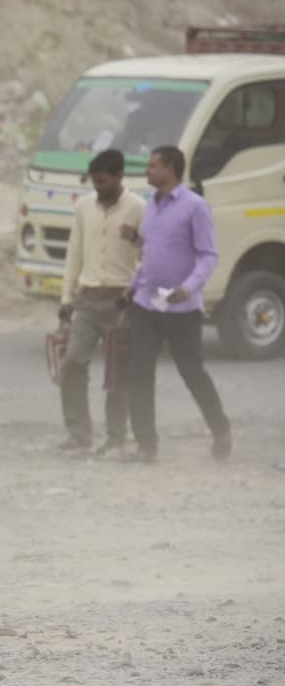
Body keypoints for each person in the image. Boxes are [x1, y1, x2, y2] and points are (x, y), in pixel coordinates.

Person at [125, 146, 232, 463]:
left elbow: (209, 254)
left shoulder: (194, 207)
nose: (148, 171)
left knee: (192, 372)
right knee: (139, 372)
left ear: (171, 169)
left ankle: (220, 428)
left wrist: (189, 287)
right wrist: (132, 288)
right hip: (146, 303)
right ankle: (146, 445)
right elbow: (149, 255)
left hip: (182, 309)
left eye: (154, 166)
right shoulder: (150, 206)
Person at [55, 149, 144, 452]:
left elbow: (147, 259)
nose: (99, 188)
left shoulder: (139, 209)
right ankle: (79, 434)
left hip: (123, 299)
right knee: (72, 362)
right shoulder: (83, 207)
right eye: (95, 183)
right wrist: (66, 297)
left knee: (117, 373)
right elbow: (74, 254)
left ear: (120, 177)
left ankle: (116, 438)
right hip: (89, 298)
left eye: (104, 182)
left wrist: (135, 293)